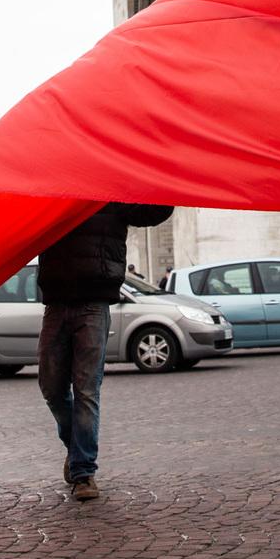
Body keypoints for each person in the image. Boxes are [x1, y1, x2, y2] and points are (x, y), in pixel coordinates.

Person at [36, 202, 173, 502]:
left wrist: (169, 178)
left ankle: (83, 472)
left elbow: (151, 213)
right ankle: (76, 450)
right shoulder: (53, 195)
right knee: (51, 387)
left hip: (94, 303)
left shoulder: (111, 195)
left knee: (86, 389)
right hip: (56, 302)